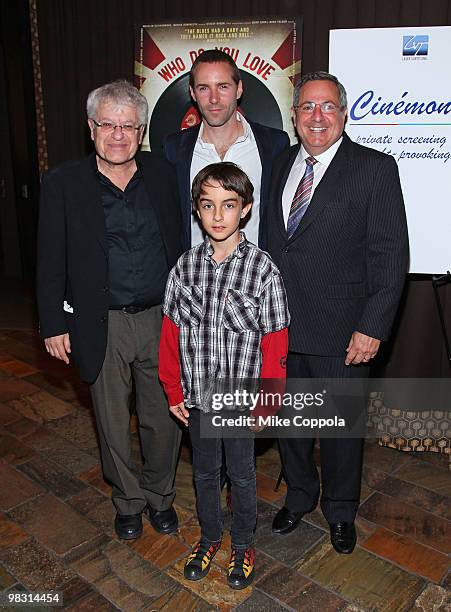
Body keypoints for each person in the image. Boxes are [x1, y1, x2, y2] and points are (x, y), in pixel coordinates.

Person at [267, 71, 409, 553]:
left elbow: (391, 256)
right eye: (307, 107)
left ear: (344, 114)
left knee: (341, 431)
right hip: (283, 328)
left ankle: (341, 510)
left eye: (328, 106)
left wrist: (372, 327)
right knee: (292, 426)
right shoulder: (279, 163)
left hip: (344, 332)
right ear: (294, 115)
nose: (317, 116)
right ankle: (301, 496)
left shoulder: (375, 168)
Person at [36, 80, 183, 541]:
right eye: (107, 124)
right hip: (102, 323)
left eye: (128, 126)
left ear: (140, 131)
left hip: (162, 318)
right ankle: (128, 501)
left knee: (164, 418)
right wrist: (53, 324)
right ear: (90, 128)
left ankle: (160, 497)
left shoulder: (163, 173)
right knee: (112, 421)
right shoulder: (62, 183)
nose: (118, 135)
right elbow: (49, 258)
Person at [158, 162, 290, 589]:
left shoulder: (263, 271)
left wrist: (268, 401)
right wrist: (172, 387)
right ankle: (210, 536)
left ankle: (243, 545)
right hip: (198, 398)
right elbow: (170, 334)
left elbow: (275, 344)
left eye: (228, 205)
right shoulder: (184, 269)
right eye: (208, 205)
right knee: (203, 473)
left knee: (243, 474)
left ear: (246, 209)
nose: (218, 216)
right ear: (197, 210)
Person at [164, 49, 289, 251]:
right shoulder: (174, 148)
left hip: (255, 275)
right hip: (194, 276)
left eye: (223, 86)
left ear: (239, 89)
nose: (214, 98)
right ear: (192, 93)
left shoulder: (274, 144)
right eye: (204, 88)